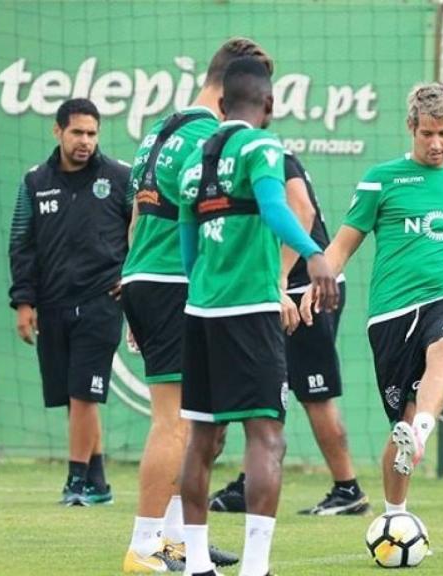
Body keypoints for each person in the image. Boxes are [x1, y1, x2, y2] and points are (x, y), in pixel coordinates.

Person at [176, 57, 337, 576]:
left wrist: (203, 287)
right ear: (268, 105)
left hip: (200, 310)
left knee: (202, 439)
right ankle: (255, 568)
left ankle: (198, 563)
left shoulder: (196, 157)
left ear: (220, 104)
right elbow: (274, 206)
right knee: (266, 436)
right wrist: (313, 254)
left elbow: (187, 246)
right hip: (250, 311)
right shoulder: (263, 146)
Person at [301, 82, 443, 518]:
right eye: (427, 133)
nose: (437, 142)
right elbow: (344, 245)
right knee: (399, 422)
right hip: (392, 312)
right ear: (411, 127)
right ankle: (394, 516)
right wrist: (318, 281)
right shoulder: (380, 180)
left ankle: (423, 428)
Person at [121, 37, 269, 573]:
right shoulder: (211, 137)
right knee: (176, 422)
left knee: (204, 417)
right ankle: (144, 546)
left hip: (147, 275)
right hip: (172, 281)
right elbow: (209, 223)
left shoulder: (159, 130)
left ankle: (180, 539)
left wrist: (134, 284)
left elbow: (135, 219)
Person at [208, 149, 369, 517]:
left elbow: (303, 210)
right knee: (264, 386)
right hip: (276, 290)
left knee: (315, 392)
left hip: (304, 290)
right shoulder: (239, 158)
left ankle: (348, 489)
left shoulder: (271, 155)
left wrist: (279, 278)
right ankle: (252, 480)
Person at [8, 97, 130, 507]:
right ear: (57, 131)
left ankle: (76, 482)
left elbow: (144, 230)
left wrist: (130, 276)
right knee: (72, 397)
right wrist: (24, 302)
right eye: (77, 132)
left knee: (84, 394)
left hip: (100, 303)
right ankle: (97, 481)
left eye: (92, 133)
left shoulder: (120, 178)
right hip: (53, 304)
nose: (85, 141)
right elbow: (21, 244)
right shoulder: (34, 182)